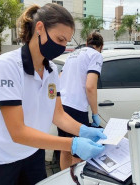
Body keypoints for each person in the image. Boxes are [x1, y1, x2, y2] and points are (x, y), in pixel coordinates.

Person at [0, 3, 106, 185]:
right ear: (40, 28)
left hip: (33, 153)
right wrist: (73, 144)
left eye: (66, 42)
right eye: (60, 39)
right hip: (0, 160)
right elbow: (17, 132)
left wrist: (84, 131)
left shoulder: (52, 70)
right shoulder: (7, 66)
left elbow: (58, 115)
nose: (62, 46)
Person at [59, 32, 104, 170]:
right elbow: (90, 86)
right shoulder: (96, 55)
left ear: (86, 43)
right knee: (79, 155)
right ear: (100, 46)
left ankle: (65, 180)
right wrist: (95, 114)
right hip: (77, 108)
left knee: (65, 146)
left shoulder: (73, 54)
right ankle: (76, 180)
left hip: (62, 105)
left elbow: (60, 76)